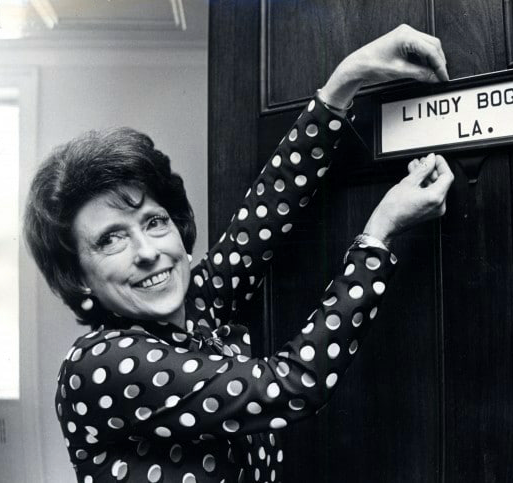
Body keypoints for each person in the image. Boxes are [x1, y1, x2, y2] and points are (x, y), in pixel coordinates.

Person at [24, 24, 453, 483]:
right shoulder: (97, 363)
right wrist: (379, 234)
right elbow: (292, 386)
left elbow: (265, 213)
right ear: (78, 276)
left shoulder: (196, 309)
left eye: (153, 221)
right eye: (111, 239)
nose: (148, 252)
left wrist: (346, 79)